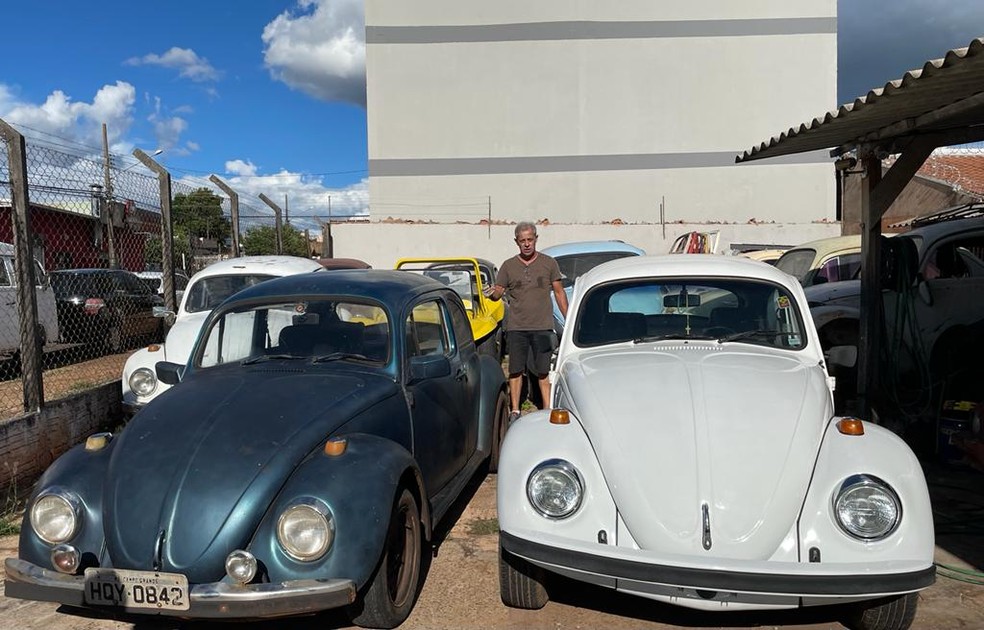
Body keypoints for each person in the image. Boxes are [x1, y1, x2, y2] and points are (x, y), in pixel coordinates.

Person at [484, 222, 568, 423]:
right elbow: (498, 292)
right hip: (517, 328)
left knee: (542, 371)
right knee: (515, 370)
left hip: (542, 326)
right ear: (516, 242)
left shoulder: (549, 264)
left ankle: (547, 408)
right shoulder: (508, 266)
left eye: (530, 240)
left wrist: (569, 317)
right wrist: (492, 294)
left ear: (536, 239)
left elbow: (559, 292)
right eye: (522, 241)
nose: (527, 244)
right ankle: (515, 410)